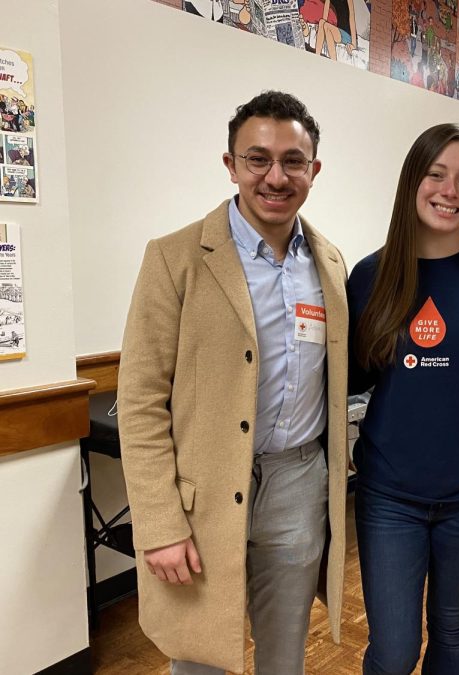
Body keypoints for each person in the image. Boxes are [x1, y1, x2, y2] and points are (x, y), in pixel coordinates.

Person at [118, 91, 349, 675]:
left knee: (284, 656)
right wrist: (159, 524)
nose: (276, 176)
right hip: (203, 489)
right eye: (258, 159)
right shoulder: (176, 258)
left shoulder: (329, 263)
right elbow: (141, 400)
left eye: (293, 161)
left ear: (314, 170)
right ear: (231, 165)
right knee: (200, 660)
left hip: (297, 485)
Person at [347, 123, 459, 674]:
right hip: (389, 495)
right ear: (412, 181)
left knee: (452, 635)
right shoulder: (370, 275)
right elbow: (352, 378)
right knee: (394, 649)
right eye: (437, 174)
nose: (450, 191)